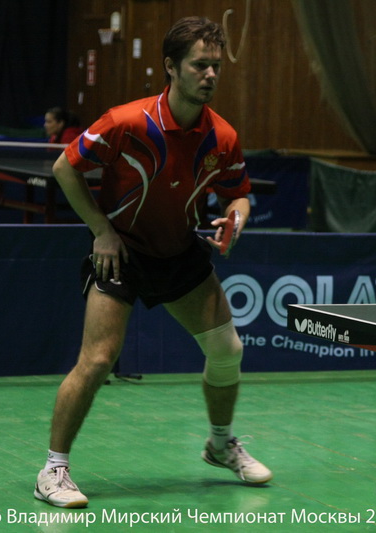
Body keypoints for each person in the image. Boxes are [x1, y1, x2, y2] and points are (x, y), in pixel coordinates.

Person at [33, 16, 272, 509]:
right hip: (121, 252)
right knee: (98, 359)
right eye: (199, 65)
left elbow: (238, 195)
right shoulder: (126, 122)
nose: (210, 74)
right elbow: (65, 167)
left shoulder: (222, 136)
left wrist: (236, 218)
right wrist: (101, 230)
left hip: (179, 251)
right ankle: (53, 469)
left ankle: (220, 444)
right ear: (171, 66)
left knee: (227, 349)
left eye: (215, 66)